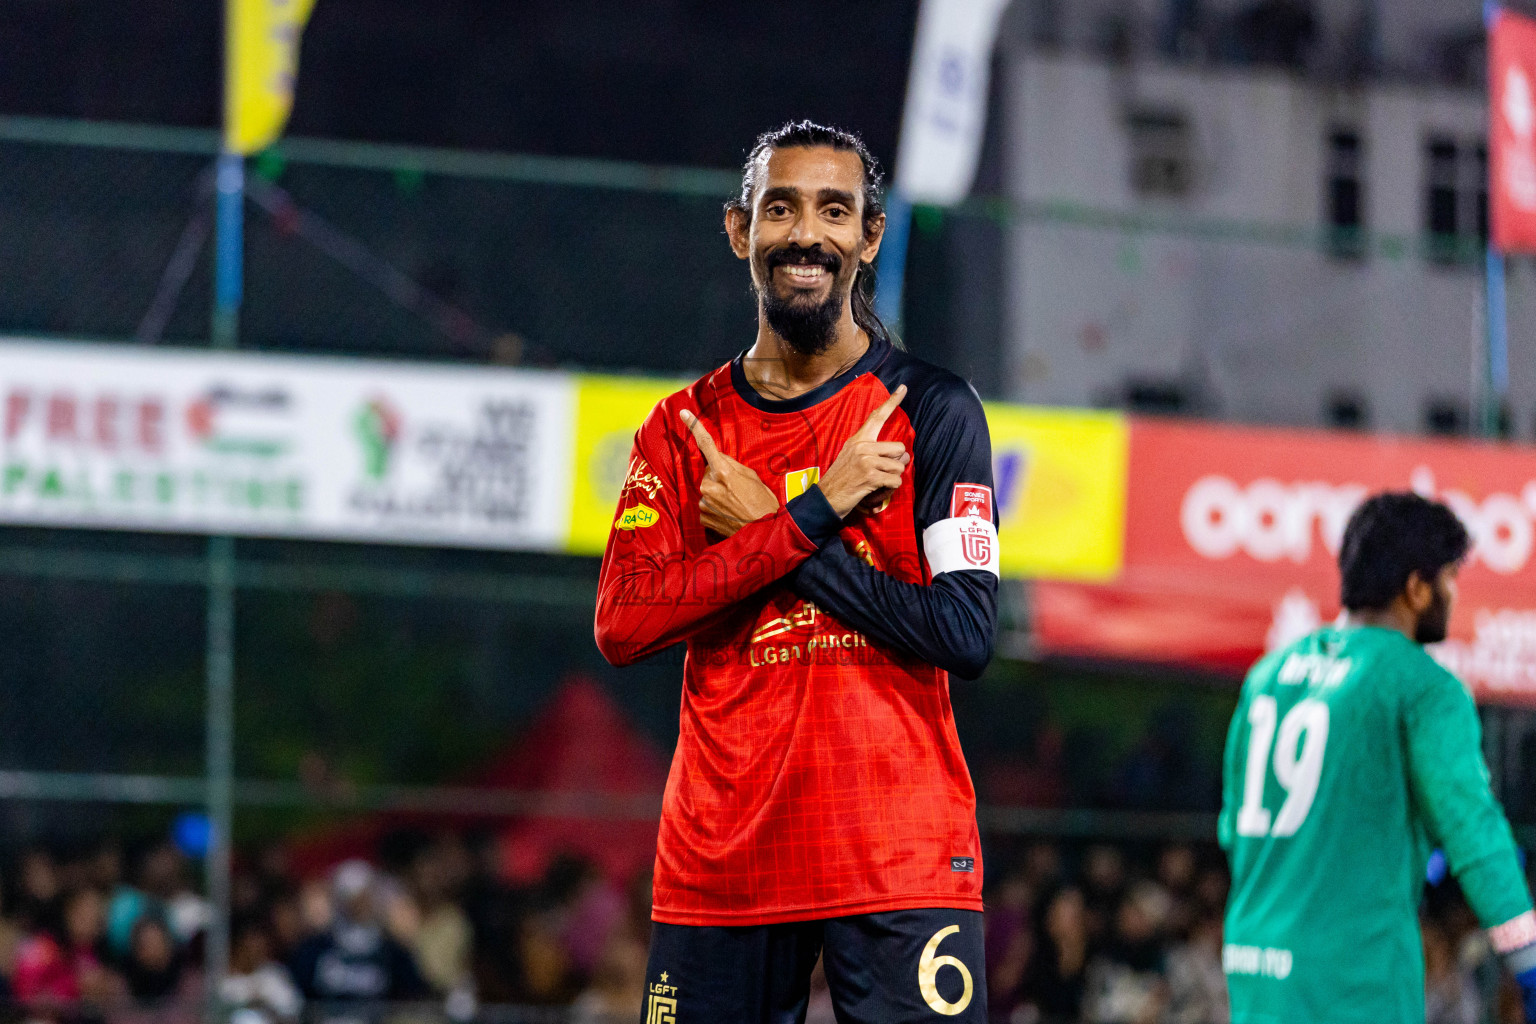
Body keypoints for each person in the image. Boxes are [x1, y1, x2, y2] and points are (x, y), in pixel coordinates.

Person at [594, 119, 999, 1022]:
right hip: (723, 863)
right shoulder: (681, 428)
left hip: (898, 857)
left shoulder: (932, 411)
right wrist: (814, 516)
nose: (806, 234)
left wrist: (771, 531)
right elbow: (624, 624)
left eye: (832, 210)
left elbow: (965, 634)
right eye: (780, 209)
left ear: (869, 235)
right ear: (741, 231)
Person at [1219, 492, 1536, 1024]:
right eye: (1450, 579)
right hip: (1353, 981)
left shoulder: (1268, 675)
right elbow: (1475, 835)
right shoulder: (1420, 685)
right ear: (1417, 588)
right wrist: (1526, 955)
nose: (1454, 596)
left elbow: (1233, 831)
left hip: (1254, 969)